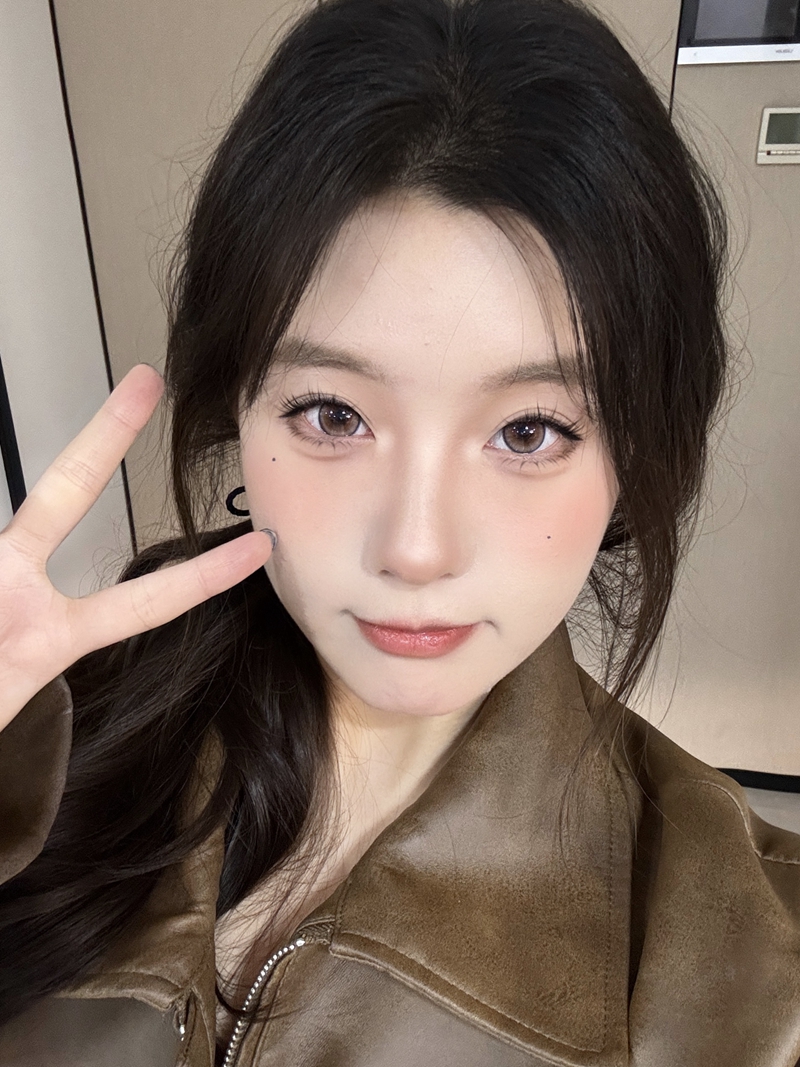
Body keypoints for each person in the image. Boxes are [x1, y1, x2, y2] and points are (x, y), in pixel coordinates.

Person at [1, 0, 799, 1063]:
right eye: (334, 415)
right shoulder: (53, 725)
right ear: (240, 409)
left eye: (528, 430)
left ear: (633, 454)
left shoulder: (756, 968)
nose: (415, 550)